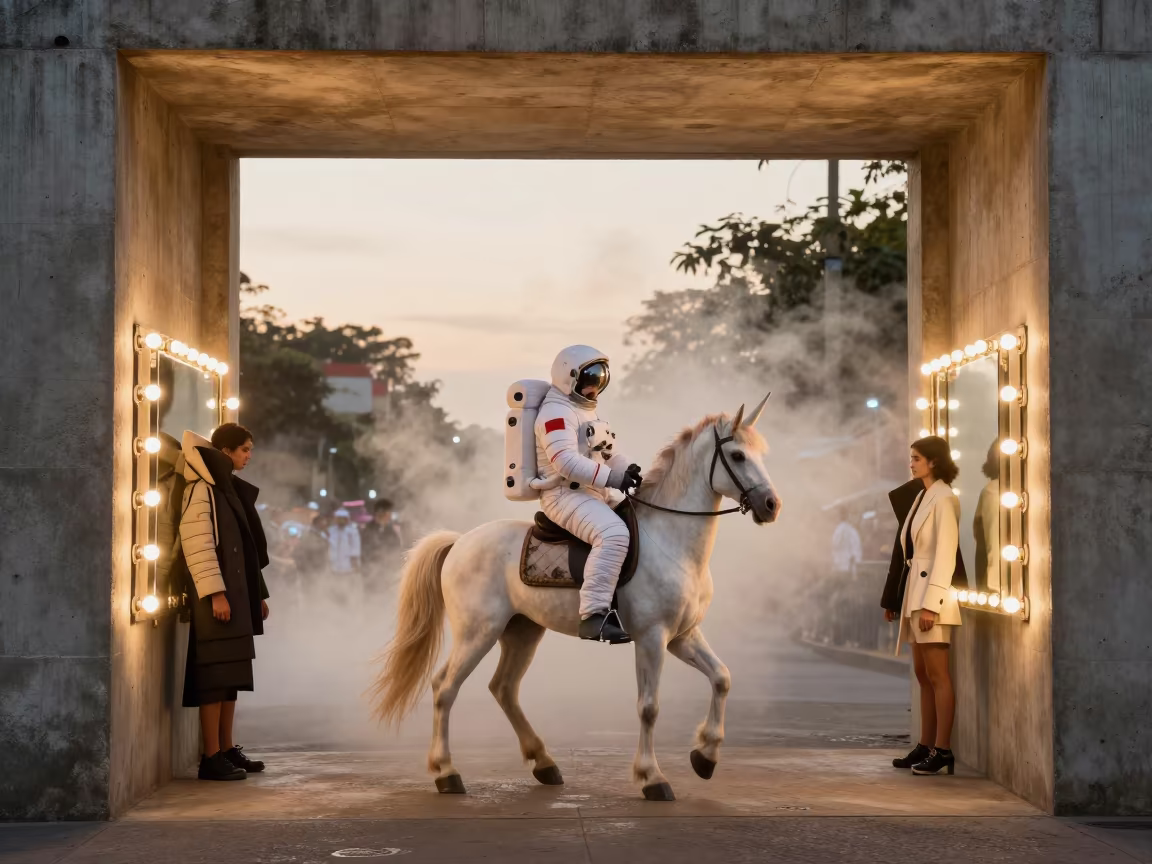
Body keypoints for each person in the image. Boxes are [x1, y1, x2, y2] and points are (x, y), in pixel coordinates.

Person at [177, 423, 270, 781]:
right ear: (226, 450)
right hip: (216, 597)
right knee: (215, 677)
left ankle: (227, 748)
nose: (249, 455)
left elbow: (245, 548)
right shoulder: (201, 489)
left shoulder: (225, 488)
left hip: (235, 596)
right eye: (245, 449)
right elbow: (197, 545)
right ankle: (210, 756)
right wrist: (216, 593)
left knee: (232, 677)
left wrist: (258, 594)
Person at [533, 345, 642, 644]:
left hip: (594, 493)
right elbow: (565, 462)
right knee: (615, 535)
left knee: (643, 520)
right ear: (570, 378)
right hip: (563, 496)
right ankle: (594, 616)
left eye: (601, 378)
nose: (595, 385)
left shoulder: (586, 411)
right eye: (589, 378)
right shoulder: (555, 413)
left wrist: (629, 472)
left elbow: (609, 454)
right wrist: (613, 478)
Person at [880, 436, 964, 776]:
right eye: (911, 457)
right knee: (922, 675)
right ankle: (926, 744)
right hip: (916, 593)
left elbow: (945, 555)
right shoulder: (921, 496)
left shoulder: (944, 498)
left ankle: (942, 749)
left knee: (938, 676)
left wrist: (932, 604)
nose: (911, 463)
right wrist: (896, 600)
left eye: (916, 458)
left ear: (933, 461)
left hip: (933, 597)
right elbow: (906, 551)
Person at [360, 498, 403, 571]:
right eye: (388, 513)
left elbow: (396, 548)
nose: (390, 517)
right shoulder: (368, 529)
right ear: (380, 513)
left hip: (388, 571)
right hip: (372, 571)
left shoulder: (390, 530)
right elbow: (365, 551)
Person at [327, 508, 361, 574]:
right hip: (333, 566)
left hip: (348, 566)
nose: (341, 521)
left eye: (343, 519)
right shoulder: (330, 531)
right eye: (339, 519)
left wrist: (355, 564)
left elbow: (355, 548)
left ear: (347, 519)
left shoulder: (353, 532)